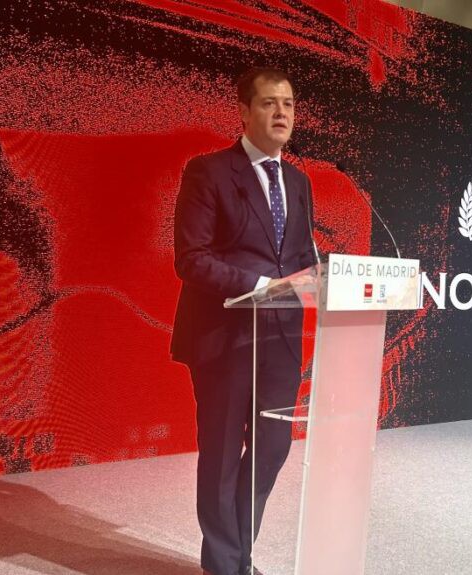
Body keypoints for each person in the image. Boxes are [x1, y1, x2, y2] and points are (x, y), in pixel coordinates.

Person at [171, 67, 317, 575]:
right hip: (224, 336)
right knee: (221, 452)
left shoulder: (299, 181)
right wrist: (256, 285)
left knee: (272, 447)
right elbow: (191, 258)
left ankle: (238, 553)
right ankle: (226, 564)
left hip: (281, 338)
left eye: (289, 104)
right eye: (269, 103)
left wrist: (325, 277)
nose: (281, 113)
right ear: (244, 111)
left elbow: (301, 257)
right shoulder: (209, 171)